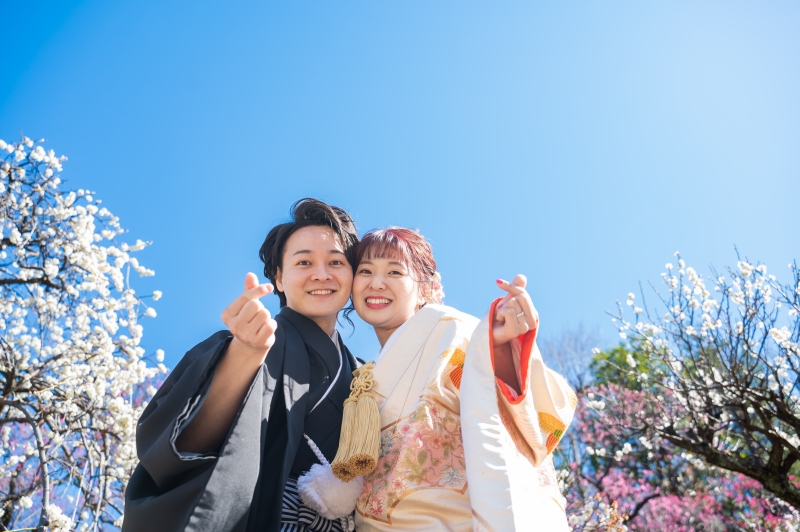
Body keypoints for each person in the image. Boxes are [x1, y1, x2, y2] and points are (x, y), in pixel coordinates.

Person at [123, 199, 361, 532]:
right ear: (279, 278)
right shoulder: (244, 345)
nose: (321, 274)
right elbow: (187, 444)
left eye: (336, 262)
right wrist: (246, 352)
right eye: (304, 262)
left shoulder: (364, 374)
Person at [350, 228, 576, 531]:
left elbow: (498, 390)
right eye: (365, 271)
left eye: (395, 272)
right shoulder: (363, 376)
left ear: (426, 288)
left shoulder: (449, 328)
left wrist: (499, 350)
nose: (376, 283)